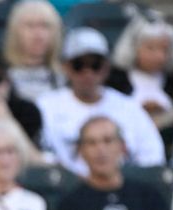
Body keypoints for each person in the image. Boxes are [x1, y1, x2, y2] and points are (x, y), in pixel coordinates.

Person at [36, 27, 165, 177]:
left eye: (95, 65)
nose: (88, 72)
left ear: (106, 68)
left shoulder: (129, 107)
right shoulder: (45, 106)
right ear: (66, 67)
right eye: (79, 65)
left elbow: (152, 157)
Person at [53, 116, 173, 210]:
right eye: (92, 143)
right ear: (81, 151)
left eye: (108, 141)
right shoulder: (70, 205)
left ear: (122, 146)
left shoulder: (149, 196)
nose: (100, 150)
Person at [108, 13, 173, 132]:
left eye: (165, 49)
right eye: (151, 48)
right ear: (134, 47)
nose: (160, 56)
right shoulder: (115, 79)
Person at [2, 0, 66, 103]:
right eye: (30, 26)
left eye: (45, 26)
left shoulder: (67, 78)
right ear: (15, 31)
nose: (38, 35)